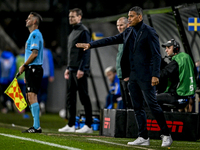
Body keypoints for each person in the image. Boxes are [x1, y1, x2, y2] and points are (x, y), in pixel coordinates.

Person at [76, 6, 172, 147]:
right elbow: (110, 39)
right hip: (132, 76)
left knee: (152, 105)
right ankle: (143, 137)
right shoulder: (128, 32)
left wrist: (155, 75)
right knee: (137, 107)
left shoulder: (149, 32)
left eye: (132, 16)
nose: (129, 19)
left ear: (140, 17)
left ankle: (166, 134)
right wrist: (90, 45)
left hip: (146, 76)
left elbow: (157, 56)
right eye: (128, 16)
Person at [58, 8, 93, 133]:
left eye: (73, 16)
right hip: (72, 70)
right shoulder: (73, 32)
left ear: (80, 17)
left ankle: (88, 125)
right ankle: (71, 124)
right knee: (70, 98)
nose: (70, 19)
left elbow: (86, 52)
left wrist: (82, 69)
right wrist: (68, 68)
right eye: (69, 17)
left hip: (79, 71)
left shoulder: (84, 32)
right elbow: (71, 53)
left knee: (84, 97)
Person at [19, 12, 44, 133]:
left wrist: (24, 65)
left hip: (34, 68)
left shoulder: (35, 35)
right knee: (29, 97)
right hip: (31, 69)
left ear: (34, 22)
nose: (26, 20)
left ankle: (36, 126)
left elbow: (34, 54)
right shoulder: (33, 35)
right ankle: (35, 125)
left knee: (32, 96)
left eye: (29, 18)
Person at [157, 39, 196, 112]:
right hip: (186, 96)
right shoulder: (186, 58)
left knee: (150, 99)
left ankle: (155, 122)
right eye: (165, 48)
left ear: (175, 49)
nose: (166, 50)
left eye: (168, 48)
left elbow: (164, 73)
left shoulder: (176, 61)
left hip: (176, 95)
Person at [116, 17, 132, 109]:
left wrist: (129, 74)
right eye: (118, 25)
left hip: (127, 76)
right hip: (121, 76)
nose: (119, 27)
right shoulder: (122, 38)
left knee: (130, 102)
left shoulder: (130, 38)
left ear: (128, 25)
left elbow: (132, 58)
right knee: (125, 102)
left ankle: (133, 123)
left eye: (121, 25)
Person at [38, 42, 54, 114]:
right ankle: (42, 103)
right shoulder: (48, 52)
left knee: (37, 91)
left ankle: (38, 106)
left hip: (37, 75)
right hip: (45, 74)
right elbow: (51, 64)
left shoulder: (35, 52)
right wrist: (51, 75)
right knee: (44, 91)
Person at [0, 48, 16, 113]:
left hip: (2, 79)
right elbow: (13, 69)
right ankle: (11, 104)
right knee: (11, 93)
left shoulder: (1, 58)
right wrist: (11, 77)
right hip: (9, 79)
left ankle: (5, 107)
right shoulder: (12, 58)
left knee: (3, 93)